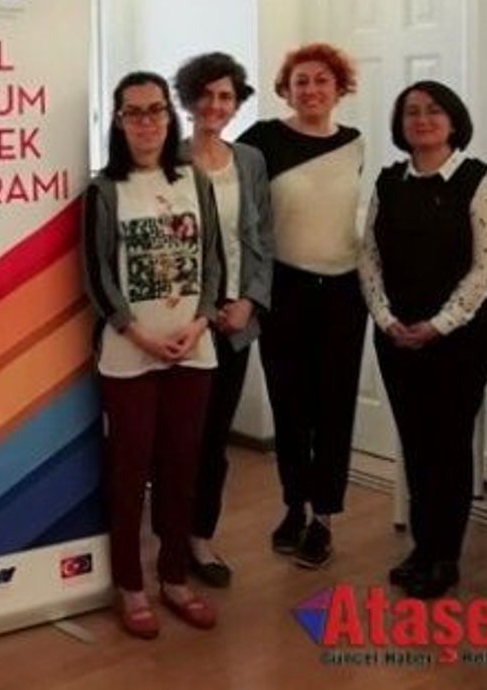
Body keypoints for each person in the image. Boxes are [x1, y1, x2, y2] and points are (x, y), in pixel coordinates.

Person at [82, 71, 221, 639]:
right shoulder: (104, 190)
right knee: (129, 469)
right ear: (118, 122)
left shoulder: (194, 179)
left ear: (170, 116)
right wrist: (139, 335)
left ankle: (174, 578)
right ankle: (130, 584)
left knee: (181, 469)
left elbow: (214, 260)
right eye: (133, 112)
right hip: (129, 354)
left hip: (193, 348)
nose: (146, 122)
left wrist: (200, 321)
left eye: (155, 110)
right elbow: (96, 275)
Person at [359, 80, 487, 599]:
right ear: (400, 124)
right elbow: (368, 256)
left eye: (433, 110)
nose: (422, 120)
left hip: (457, 341)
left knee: (449, 446)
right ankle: (421, 548)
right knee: (416, 445)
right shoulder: (389, 182)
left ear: (453, 119)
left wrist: (438, 324)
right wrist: (384, 317)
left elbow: (486, 268)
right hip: (396, 337)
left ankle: (445, 556)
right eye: (411, 112)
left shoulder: (480, 181)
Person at [237, 43, 366, 570]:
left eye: (321, 80)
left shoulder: (355, 143)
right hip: (284, 288)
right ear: (286, 90)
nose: (312, 90)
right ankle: (294, 506)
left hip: (343, 293)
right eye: (301, 81)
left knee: (334, 408)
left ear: (339, 88)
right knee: (290, 406)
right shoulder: (262, 140)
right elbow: (233, 204)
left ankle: (324, 518)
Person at [171, 52, 273, 588]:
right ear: (189, 100)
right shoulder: (165, 158)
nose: (216, 105)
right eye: (206, 95)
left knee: (214, 440)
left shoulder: (250, 161)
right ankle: (167, 538)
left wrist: (250, 302)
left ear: (237, 103)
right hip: (181, 319)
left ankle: (199, 538)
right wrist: (203, 310)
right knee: (175, 438)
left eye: (226, 96)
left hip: (236, 321)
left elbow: (262, 240)